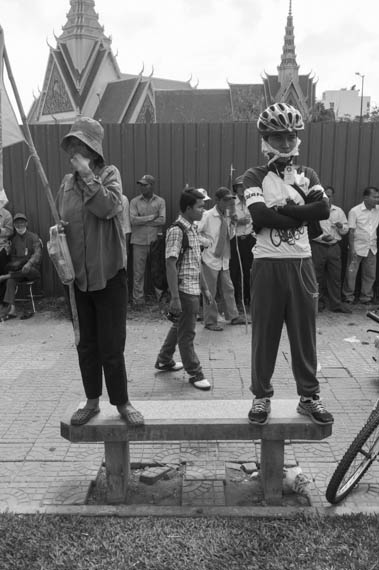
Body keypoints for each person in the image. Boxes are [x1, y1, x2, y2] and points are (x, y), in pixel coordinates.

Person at [243, 102, 334, 426]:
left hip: (301, 263)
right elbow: (260, 215)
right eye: (278, 136)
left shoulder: (308, 174)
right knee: (264, 334)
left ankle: (309, 397)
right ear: (265, 138)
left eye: (290, 136)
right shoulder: (253, 176)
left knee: (304, 334)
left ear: (297, 138)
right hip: (268, 263)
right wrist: (299, 212)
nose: (285, 142)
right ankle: (260, 397)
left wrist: (282, 210)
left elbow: (322, 211)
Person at [57, 116, 143, 427]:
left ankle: (122, 402)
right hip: (77, 279)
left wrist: (87, 175)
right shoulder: (66, 184)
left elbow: (108, 208)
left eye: (80, 145)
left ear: (93, 148)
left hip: (108, 276)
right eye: (72, 145)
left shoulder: (109, 175)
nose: (75, 150)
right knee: (86, 344)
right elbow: (64, 219)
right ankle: (92, 401)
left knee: (111, 344)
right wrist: (58, 232)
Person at [155, 188, 212, 390]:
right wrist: (175, 298)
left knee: (179, 325)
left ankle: (164, 360)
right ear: (188, 208)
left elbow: (195, 263)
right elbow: (170, 264)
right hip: (184, 291)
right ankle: (196, 373)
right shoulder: (177, 231)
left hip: (193, 289)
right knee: (187, 334)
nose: (203, 210)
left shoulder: (192, 230)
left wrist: (205, 289)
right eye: (200, 207)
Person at [197, 187, 246, 331]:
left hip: (224, 257)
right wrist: (206, 242)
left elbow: (229, 236)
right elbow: (194, 232)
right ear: (217, 200)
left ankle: (232, 315)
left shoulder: (227, 216)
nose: (227, 203)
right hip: (211, 257)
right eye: (225, 200)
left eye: (230, 200)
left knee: (228, 288)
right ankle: (210, 321)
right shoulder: (207, 216)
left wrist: (233, 224)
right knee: (210, 291)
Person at [310, 185, 351, 313]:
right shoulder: (314, 211)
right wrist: (322, 238)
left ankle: (336, 304)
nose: (327, 197)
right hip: (318, 246)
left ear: (333, 196)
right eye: (325, 195)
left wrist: (341, 227)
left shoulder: (338, 211)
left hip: (334, 246)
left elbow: (345, 230)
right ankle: (317, 303)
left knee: (335, 276)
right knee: (317, 276)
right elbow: (310, 230)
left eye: (330, 195)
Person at [129, 175, 166, 306]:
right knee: (138, 273)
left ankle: (160, 299)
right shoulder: (134, 202)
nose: (142, 187)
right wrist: (151, 217)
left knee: (157, 270)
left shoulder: (160, 201)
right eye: (141, 185)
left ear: (152, 185)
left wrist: (142, 220)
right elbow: (132, 220)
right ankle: (138, 300)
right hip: (138, 242)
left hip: (155, 241)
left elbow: (162, 220)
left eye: (145, 185)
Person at [0, 212, 42, 320]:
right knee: (11, 281)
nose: (19, 225)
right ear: (14, 225)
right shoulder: (14, 240)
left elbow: (38, 253)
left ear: (26, 223)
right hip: (19, 272)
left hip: (32, 270)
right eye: (17, 223)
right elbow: (13, 258)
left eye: (22, 222)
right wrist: (15, 266)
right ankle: (12, 310)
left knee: (26, 270)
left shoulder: (33, 236)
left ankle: (7, 276)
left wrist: (29, 263)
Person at [342, 186, 379, 305]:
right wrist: (352, 248)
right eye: (375, 197)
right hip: (357, 247)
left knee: (369, 274)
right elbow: (351, 231)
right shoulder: (355, 211)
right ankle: (348, 297)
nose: (377, 199)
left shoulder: (377, 210)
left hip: (371, 247)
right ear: (366, 197)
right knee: (351, 274)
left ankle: (366, 297)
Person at [229, 175, 256, 308]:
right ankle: (236, 300)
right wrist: (238, 221)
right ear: (235, 188)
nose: (242, 189)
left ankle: (248, 299)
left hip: (250, 239)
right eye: (239, 186)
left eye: (244, 187)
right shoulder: (231, 203)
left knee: (249, 270)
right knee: (235, 271)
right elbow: (225, 221)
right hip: (236, 239)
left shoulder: (252, 201)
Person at [0, 198, 13, 301]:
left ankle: (3, 301)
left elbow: (10, 231)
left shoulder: (6, 214)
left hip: (2, 247)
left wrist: (0, 230)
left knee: (3, 275)